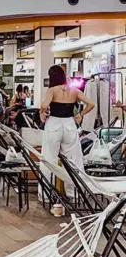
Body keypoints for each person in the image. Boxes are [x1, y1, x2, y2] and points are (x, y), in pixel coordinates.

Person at [40, 65, 94, 195]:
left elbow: (44, 105)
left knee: (49, 158)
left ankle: (47, 194)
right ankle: (74, 193)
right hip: (70, 124)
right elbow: (91, 104)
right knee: (73, 160)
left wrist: (42, 112)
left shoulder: (52, 90)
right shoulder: (74, 90)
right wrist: (81, 114)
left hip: (54, 123)